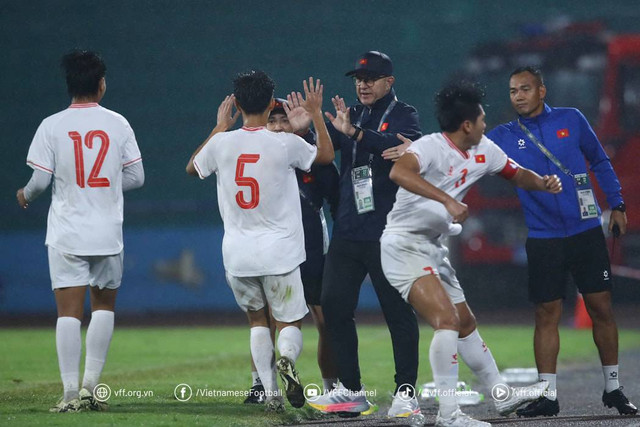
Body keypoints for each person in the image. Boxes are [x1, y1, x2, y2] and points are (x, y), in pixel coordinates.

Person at [380, 81, 561, 426]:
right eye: (480, 119)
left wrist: (543, 182)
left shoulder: (484, 149)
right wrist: (446, 200)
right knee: (446, 321)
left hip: (434, 247)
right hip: (403, 245)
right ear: (466, 125)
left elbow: (515, 173)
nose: (484, 124)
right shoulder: (430, 146)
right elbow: (398, 171)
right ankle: (449, 415)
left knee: (465, 324)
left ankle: (501, 396)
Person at [486, 66, 637, 417]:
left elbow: (599, 159)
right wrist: (416, 149)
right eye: (512, 91)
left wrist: (617, 204)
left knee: (601, 309)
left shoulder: (572, 119)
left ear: (542, 90)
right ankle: (548, 396)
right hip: (543, 238)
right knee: (546, 314)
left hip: (585, 232)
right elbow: (461, 148)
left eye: (525, 88)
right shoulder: (504, 134)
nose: (518, 96)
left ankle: (613, 389)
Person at [186, 72, 334, 412]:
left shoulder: (221, 144)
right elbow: (324, 156)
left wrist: (220, 126)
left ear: (236, 104)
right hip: (280, 252)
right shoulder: (284, 142)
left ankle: (271, 397)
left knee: (257, 322)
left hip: (238, 254)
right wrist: (314, 115)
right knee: (288, 322)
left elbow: (193, 168)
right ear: (272, 104)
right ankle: (287, 359)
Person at [16, 50, 144, 412]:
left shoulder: (51, 125)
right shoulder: (118, 123)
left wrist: (24, 194)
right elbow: (137, 177)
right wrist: (104, 187)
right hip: (107, 231)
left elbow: (40, 180)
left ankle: (70, 393)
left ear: (70, 85)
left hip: (67, 233)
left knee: (68, 313)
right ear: (101, 85)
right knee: (103, 307)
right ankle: (91, 386)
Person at [307, 51, 421, 418]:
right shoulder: (349, 115)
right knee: (334, 305)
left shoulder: (405, 115)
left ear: (389, 81)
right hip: (349, 229)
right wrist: (309, 125)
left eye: (370, 77)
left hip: (388, 230)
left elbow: (396, 150)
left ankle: (405, 391)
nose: (362, 84)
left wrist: (355, 134)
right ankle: (352, 391)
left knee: (397, 312)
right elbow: (323, 155)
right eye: (358, 78)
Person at [243, 95, 339, 404]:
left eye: (284, 119)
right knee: (269, 320)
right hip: (276, 251)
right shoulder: (256, 157)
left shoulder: (311, 157)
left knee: (326, 322)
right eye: (272, 120)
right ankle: (262, 385)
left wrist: (307, 134)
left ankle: (331, 388)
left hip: (311, 249)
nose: (279, 125)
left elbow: (336, 200)